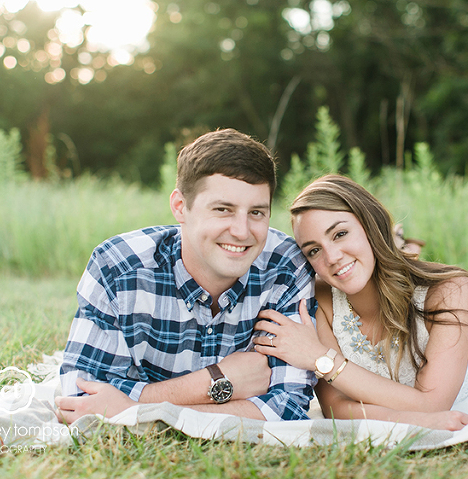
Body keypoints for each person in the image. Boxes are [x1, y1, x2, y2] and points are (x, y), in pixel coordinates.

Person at [55, 129, 316, 423]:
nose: (242, 232)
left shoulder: (285, 268)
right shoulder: (118, 266)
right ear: (180, 207)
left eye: (256, 213)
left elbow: (288, 406)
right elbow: (81, 401)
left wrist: (133, 408)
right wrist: (217, 381)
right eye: (223, 210)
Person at [253, 174, 468, 431]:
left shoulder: (451, 291)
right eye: (314, 250)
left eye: (340, 234)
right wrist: (416, 419)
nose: (332, 257)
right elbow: (337, 408)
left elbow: (433, 404)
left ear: (371, 224)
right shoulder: (318, 300)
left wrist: (319, 357)